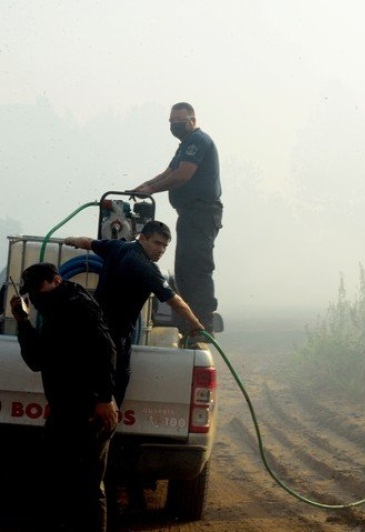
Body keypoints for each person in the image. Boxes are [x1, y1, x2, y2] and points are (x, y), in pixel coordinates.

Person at [10, 262, 118, 532]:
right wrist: (23, 321)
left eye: (39, 290)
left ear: (56, 280)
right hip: (67, 411)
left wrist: (104, 398)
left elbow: (107, 350)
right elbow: (38, 358)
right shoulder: (58, 308)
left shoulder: (76, 307)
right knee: (59, 483)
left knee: (87, 488)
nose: (35, 297)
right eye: (31, 293)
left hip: (89, 411)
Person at [65, 220, 205, 406]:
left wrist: (71, 239)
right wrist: (196, 324)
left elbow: (88, 242)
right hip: (115, 336)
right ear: (143, 237)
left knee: (87, 387)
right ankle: (106, 426)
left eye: (165, 245)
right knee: (115, 388)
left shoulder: (117, 247)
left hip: (93, 328)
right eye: (156, 243)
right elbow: (175, 302)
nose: (161, 250)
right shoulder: (145, 267)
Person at [131, 101, 222, 336]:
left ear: (193, 120)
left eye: (179, 121)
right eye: (171, 122)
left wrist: (152, 190)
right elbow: (169, 172)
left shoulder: (198, 141)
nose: (175, 125)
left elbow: (182, 175)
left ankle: (201, 326)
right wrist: (147, 184)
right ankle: (187, 323)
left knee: (197, 269)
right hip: (189, 214)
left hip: (202, 213)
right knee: (183, 270)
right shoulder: (184, 146)